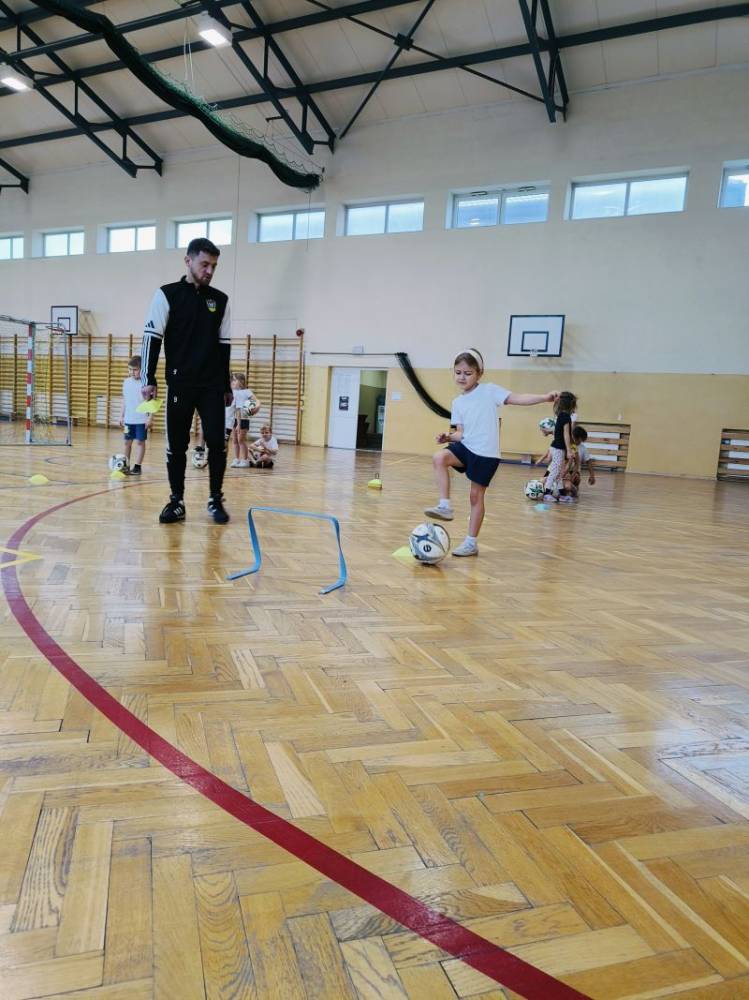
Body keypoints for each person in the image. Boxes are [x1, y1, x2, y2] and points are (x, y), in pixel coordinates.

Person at [424, 348, 557, 557]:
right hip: (466, 447)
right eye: (458, 372)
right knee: (439, 457)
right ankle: (444, 505)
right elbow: (460, 433)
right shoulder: (457, 402)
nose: (462, 377)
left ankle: (471, 543)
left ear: (479, 373)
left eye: (468, 373)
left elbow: (518, 398)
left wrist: (545, 397)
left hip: (486, 454)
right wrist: (448, 438)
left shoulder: (489, 391)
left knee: (475, 496)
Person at [141, 237, 232, 524]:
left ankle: (215, 499)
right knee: (177, 444)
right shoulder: (167, 295)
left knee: (217, 442)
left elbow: (224, 346)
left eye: (214, 266)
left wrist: (226, 385)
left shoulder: (220, 300)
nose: (209, 271)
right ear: (188, 261)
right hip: (180, 384)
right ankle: (176, 501)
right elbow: (151, 338)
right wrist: (147, 377)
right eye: (204, 264)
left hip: (212, 386)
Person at [119, 355, 151, 475]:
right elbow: (125, 400)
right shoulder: (126, 382)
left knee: (140, 442)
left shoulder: (146, 384)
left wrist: (150, 418)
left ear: (141, 370)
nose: (132, 372)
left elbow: (151, 402)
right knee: (127, 442)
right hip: (128, 420)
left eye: (135, 369)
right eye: (130, 369)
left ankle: (137, 466)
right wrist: (121, 416)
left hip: (141, 420)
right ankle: (126, 465)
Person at [543, 391, 577, 503]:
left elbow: (559, 432)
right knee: (554, 471)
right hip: (558, 448)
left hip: (556, 448)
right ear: (571, 405)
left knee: (558, 472)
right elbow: (566, 435)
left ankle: (561, 494)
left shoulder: (560, 416)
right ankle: (546, 493)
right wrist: (569, 450)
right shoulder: (566, 417)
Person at [229, 373, 259, 468]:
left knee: (240, 440)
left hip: (243, 419)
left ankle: (245, 460)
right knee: (235, 440)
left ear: (241, 382)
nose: (233, 382)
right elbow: (236, 408)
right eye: (232, 380)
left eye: (235, 380)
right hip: (234, 419)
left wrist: (255, 408)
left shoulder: (247, 391)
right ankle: (237, 459)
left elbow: (256, 401)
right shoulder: (233, 392)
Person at [568, 425, 596, 496]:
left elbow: (589, 462)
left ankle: (574, 487)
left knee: (576, 478)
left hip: (575, 471)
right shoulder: (567, 445)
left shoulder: (583, 448)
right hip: (565, 469)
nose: (580, 441)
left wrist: (592, 475)